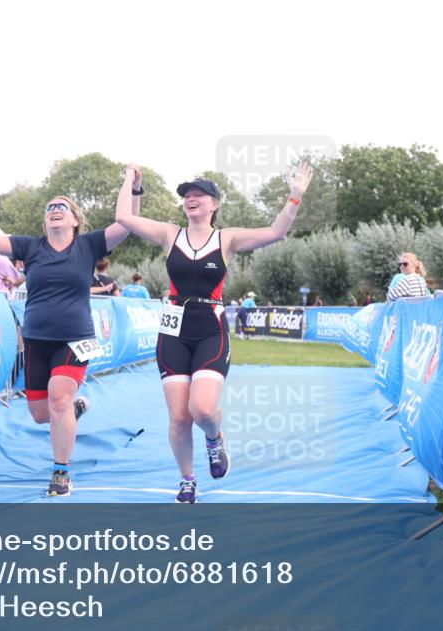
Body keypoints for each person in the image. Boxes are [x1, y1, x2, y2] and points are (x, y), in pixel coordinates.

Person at [115, 161, 314, 503]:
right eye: (187, 195)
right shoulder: (169, 234)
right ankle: (187, 480)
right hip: (174, 331)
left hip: (210, 329)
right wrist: (131, 182)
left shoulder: (226, 238)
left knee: (203, 410)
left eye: (199, 195)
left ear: (214, 204)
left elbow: (276, 232)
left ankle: (214, 438)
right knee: (179, 417)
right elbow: (124, 218)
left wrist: (295, 196)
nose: (191, 199)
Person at [0, 187, 135, 497]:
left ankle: (61, 472)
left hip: (75, 339)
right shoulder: (30, 247)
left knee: (58, 400)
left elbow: (126, 223)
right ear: (45, 221)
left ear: (74, 220)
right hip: (36, 340)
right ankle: (74, 410)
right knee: (42, 414)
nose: (55, 209)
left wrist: (132, 187)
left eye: (62, 207)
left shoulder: (88, 245)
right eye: (50, 207)